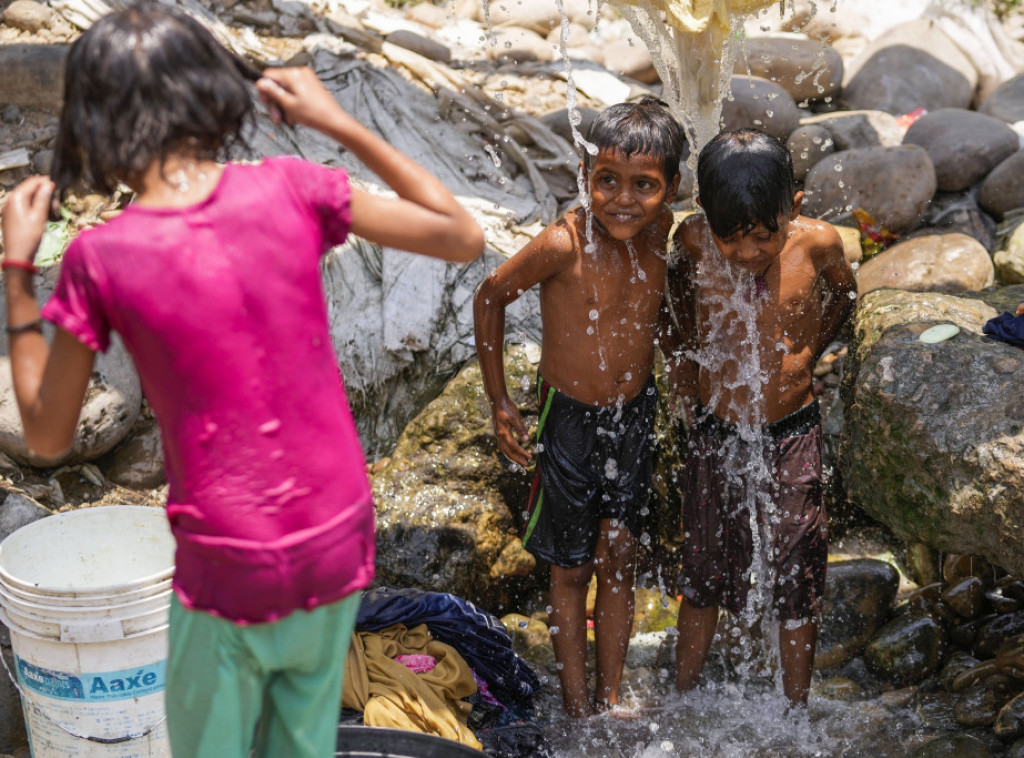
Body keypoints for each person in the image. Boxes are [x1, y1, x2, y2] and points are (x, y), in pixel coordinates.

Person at [0, 4, 483, 756]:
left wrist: (19, 271)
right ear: (210, 97)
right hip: (336, 536)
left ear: (91, 125)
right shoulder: (293, 186)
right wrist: (340, 124)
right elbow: (461, 234)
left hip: (231, 560)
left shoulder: (103, 258)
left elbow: (46, 433)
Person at [473, 97, 685, 718]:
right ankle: (576, 706)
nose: (623, 200)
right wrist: (499, 401)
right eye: (607, 181)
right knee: (569, 568)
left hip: (634, 414)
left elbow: (666, 303)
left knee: (618, 553)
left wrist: (686, 362)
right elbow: (490, 297)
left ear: (670, 188)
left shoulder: (664, 228)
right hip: (567, 420)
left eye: (643, 185)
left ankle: (611, 697)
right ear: (585, 177)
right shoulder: (563, 243)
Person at [661, 128, 856, 706]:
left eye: (762, 240)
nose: (746, 255)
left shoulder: (817, 244)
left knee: (798, 569)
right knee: (701, 569)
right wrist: (682, 355)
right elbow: (671, 291)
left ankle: (795, 711)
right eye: (732, 241)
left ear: (791, 210)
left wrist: (808, 354)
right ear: (707, 219)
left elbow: (845, 297)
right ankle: (682, 698)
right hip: (716, 428)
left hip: (792, 431)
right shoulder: (694, 240)